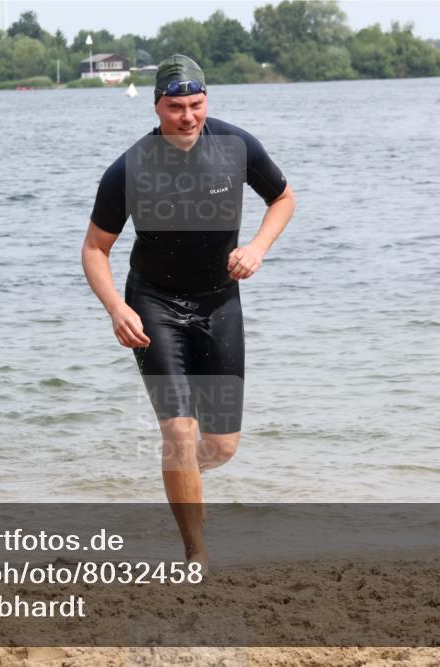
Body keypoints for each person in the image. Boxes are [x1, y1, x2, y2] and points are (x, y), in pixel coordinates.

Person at [81, 54, 296, 566]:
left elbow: (283, 198)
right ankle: (194, 552)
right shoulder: (131, 167)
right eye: (175, 107)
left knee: (220, 447)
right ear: (156, 107)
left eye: (196, 104)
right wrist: (116, 307)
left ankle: (180, 475)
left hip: (219, 301)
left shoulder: (236, 147)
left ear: (207, 101)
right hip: (154, 303)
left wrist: (258, 249)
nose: (188, 116)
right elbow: (94, 249)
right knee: (179, 431)